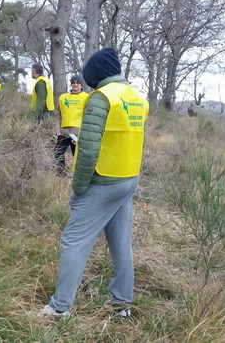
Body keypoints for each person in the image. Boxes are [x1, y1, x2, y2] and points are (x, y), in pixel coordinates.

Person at [38, 47, 149, 318]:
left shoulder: (101, 98)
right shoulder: (137, 97)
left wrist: (79, 188)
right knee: (121, 244)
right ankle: (122, 305)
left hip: (103, 180)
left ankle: (59, 307)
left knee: (74, 241)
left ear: (96, 76)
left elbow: (87, 150)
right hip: (129, 179)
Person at [53, 74, 88, 174]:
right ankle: (61, 174)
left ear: (81, 85)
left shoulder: (86, 97)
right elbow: (58, 114)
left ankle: (79, 176)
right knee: (58, 153)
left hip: (77, 133)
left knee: (78, 155)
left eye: (77, 82)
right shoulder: (63, 97)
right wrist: (57, 128)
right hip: (64, 131)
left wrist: (84, 133)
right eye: (73, 82)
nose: (75, 84)